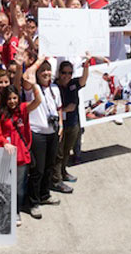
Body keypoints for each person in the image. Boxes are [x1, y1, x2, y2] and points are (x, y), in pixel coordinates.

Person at [0, 79, 42, 226]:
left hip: (21, 154)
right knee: (4, 183)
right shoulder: (1, 112)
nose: (12, 101)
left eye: (14, 98)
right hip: (5, 154)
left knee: (19, 185)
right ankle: (4, 210)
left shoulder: (23, 108)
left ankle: (16, 210)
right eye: (9, 98)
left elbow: (38, 101)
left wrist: (34, 84)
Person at [26, 61, 62, 219]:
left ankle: (44, 194)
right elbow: (28, 76)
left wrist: (61, 124)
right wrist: (40, 59)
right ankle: (33, 202)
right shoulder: (31, 89)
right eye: (43, 71)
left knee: (49, 166)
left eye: (48, 70)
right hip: (37, 133)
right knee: (37, 169)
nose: (46, 73)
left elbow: (58, 108)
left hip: (52, 132)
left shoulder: (54, 88)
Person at [51, 58, 89, 193]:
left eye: (69, 73)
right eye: (64, 73)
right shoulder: (54, 86)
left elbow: (84, 80)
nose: (66, 76)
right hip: (60, 125)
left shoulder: (73, 83)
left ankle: (63, 172)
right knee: (58, 154)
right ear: (59, 73)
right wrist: (66, 109)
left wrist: (86, 65)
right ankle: (56, 180)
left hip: (73, 123)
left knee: (67, 151)